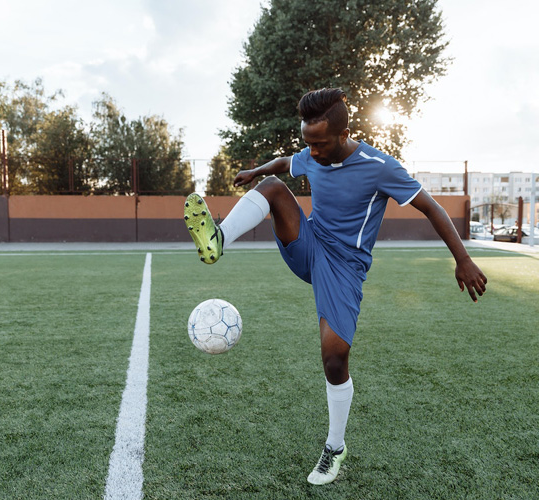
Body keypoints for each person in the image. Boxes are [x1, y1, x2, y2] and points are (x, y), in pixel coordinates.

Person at [183, 88, 487, 485]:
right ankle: (217, 240)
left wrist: (462, 258)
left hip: (344, 268)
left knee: (334, 359)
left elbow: (432, 206)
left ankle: (334, 447)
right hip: (309, 244)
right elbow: (286, 162)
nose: (312, 152)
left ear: (343, 135)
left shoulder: (379, 166)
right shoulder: (313, 152)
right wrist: (257, 172)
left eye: (320, 144)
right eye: (307, 142)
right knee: (274, 186)